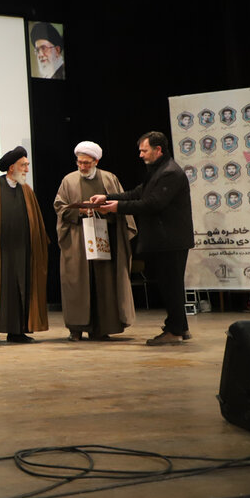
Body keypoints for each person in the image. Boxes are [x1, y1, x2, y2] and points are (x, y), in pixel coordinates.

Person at [91, 131, 194, 346]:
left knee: (171, 286)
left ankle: (175, 330)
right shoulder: (159, 171)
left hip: (171, 241)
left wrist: (117, 208)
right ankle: (180, 327)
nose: (140, 155)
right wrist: (107, 197)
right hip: (165, 240)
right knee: (170, 285)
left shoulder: (170, 173)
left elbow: (153, 204)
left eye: (144, 150)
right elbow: (138, 193)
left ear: (158, 150)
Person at [54, 142, 137, 341]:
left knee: (104, 283)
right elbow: (60, 206)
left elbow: (122, 205)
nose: (82, 166)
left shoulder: (109, 179)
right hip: (78, 240)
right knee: (77, 283)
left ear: (96, 161)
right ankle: (76, 329)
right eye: (79, 162)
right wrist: (80, 211)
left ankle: (102, 328)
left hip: (105, 238)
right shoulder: (69, 180)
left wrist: (108, 211)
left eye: (86, 163)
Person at [0, 146, 49, 344]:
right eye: (23, 165)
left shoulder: (26, 190)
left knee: (20, 289)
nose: (27, 170)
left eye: (27, 165)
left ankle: (17, 332)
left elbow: (35, 221)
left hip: (22, 250)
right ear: (11, 167)